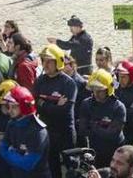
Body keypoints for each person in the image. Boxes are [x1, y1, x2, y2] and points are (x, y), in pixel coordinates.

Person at [35, 44, 78, 178]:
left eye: (49, 61)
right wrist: (54, 105)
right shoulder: (39, 81)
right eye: (43, 61)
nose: (45, 64)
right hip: (47, 132)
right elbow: (35, 104)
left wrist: (44, 104)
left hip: (66, 132)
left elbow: (64, 111)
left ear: (58, 62)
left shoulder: (68, 83)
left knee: (72, 168)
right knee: (53, 169)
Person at [0, 85, 51, 178]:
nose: (10, 110)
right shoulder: (11, 124)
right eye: (8, 106)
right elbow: (2, 149)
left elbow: (27, 164)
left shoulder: (38, 131)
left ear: (24, 107)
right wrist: (17, 156)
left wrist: (11, 152)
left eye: (14, 107)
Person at [79, 70, 126, 168]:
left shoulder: (118, 107)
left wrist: (93, 125)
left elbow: (113, 134)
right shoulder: (86, 104)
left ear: (108, 89)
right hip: (95, 150)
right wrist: (101, 127)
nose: (96, 93)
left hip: (114, 152)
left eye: (100, 89)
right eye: (94, 89)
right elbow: (83, 130)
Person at [114, 61, 133, 145]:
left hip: (132, 133)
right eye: (119, 77)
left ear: (132, 77)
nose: (120, 80)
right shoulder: (116, 89)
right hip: (117, 131)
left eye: (123, 77)